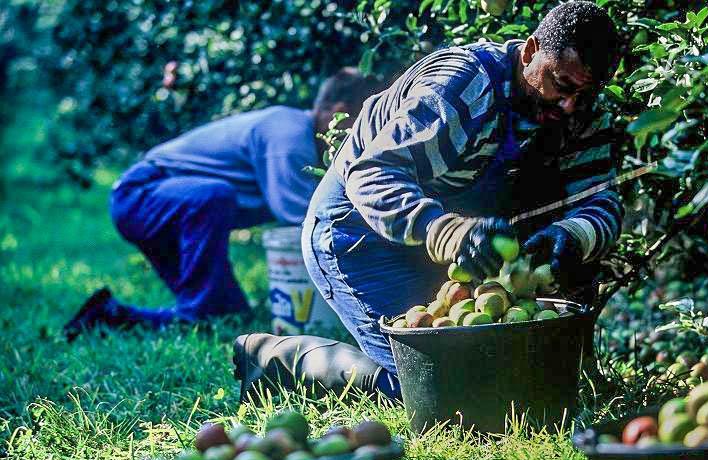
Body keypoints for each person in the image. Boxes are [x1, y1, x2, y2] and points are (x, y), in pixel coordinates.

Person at [233, 2, 623, 401]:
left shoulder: (582, 115)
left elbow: (601, 199)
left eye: (586, 94)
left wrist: (574, 234)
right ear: (529, 52)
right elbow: (372, 174)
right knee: (432, 386)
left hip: (445, 245)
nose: (571, 105)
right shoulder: (463, 87)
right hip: (358, 233)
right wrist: (447, 231)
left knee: (497, 377)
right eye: (563, 85)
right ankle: (276, 359)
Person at [63, 68, 381, 340]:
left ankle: (108, 316)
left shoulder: (299, 138)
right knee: (214, 204)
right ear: (338, 110)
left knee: (225, 315)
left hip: (174, 205)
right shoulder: (290, 136)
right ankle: (167, 313)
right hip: (141, 197)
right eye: (361, 122)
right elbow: (311, 221)